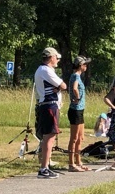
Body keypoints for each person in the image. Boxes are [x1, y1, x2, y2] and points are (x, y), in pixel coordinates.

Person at [33, 47, 67, 179]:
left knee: (48, 137)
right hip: (49, 105)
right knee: (49, 137)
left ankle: (45, 166)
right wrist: (59, 87)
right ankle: (43, 168)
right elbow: (63, 85)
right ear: (51, 57)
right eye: (56, 57)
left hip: (47, 105)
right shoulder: (45, 70)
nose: (57, 60)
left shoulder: (42, 70)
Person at [66, 55, 91, 171]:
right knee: (74, 138)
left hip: (80, 110)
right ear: (80, 66)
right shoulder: (75, 76)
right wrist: (78, 97)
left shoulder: (78, 76)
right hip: (75, 110)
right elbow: (75, 88)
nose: (86, 66)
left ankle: (78, 161)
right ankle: (71, 164)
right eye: (85, 64)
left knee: (80, 137)